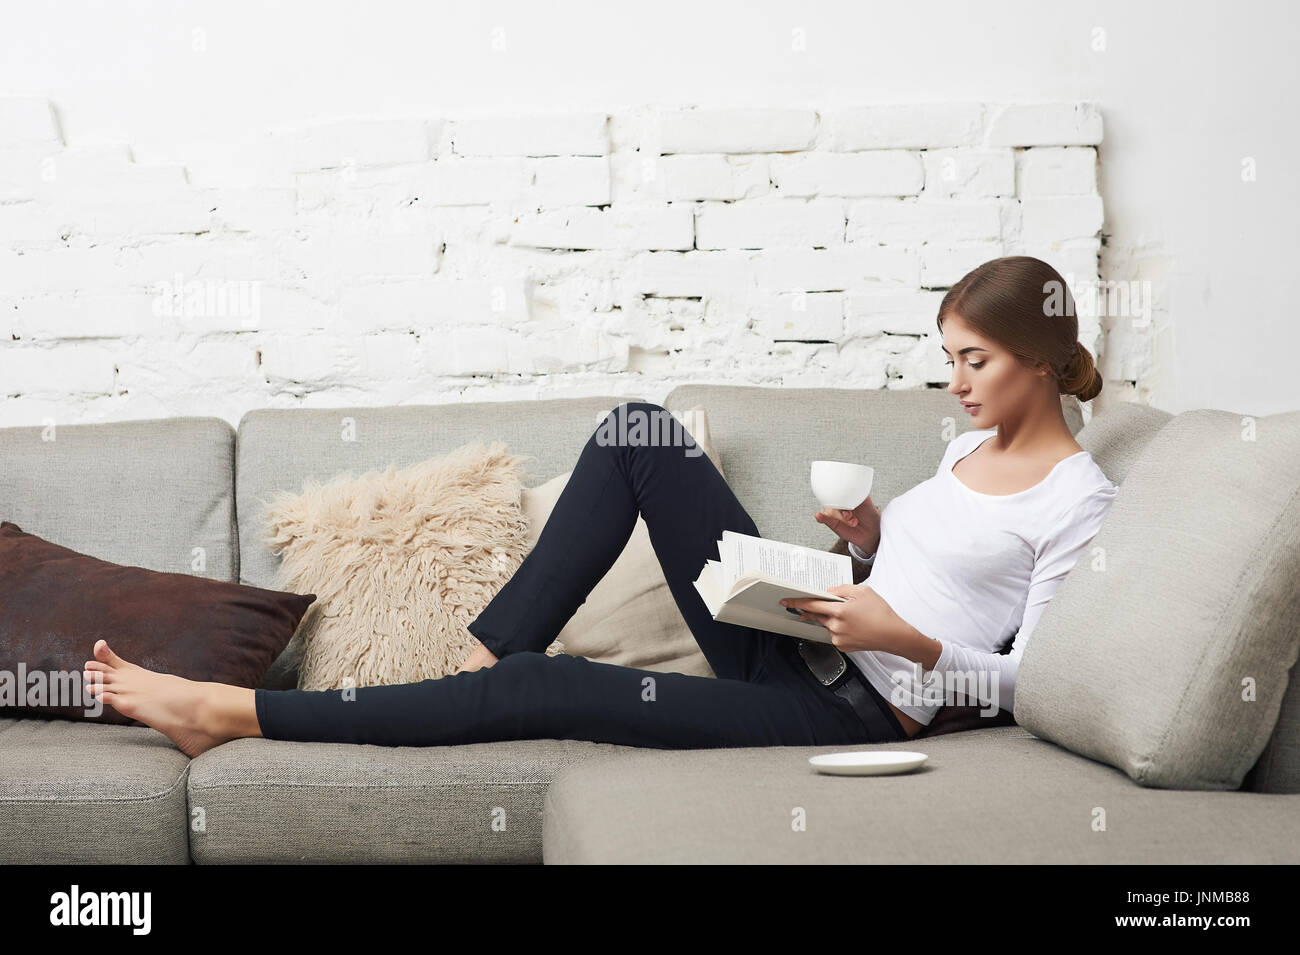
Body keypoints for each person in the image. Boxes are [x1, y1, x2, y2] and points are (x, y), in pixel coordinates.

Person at [82, 255, 1117, 759]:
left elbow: (1040, 685)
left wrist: (909, 642)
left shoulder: (1079, 499)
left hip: (853, 702)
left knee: (550, 688)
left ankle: (230, 712)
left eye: (972, 361)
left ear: (1037, 357)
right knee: (637, 431)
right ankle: (484, 663)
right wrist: (873, 543)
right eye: (948, 361)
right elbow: (943, 560)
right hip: (804, 625)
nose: (955, 384)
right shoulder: (975, 443)